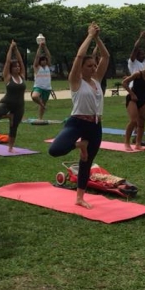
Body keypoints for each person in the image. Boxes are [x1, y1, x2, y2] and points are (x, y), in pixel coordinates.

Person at [48, 22, 109, 209]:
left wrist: (98, 38)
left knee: (87, 162)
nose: (93, 67)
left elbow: (106, 56)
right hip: (77, 122)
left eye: (94, 65)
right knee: (55, 150)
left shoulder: (96, 80)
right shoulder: (76, 81)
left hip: (95, 125)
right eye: (89, 65)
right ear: (81, 68)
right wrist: (89, 36)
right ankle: (79, 145)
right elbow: (80, 56)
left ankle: (80, 198)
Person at [0, 41, 26, 152]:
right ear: (11, 69)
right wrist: (10, 48)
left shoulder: (22, 76)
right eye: (15, 67)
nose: (17, 68)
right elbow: (8, 62)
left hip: (19, 106)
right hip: (6, 103)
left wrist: (16, 49)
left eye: (18, 66)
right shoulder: (8, 77)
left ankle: (10, 148)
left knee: (14, 127)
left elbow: (21, 61)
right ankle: (9, 116)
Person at [31, 40, 53, 120]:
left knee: (43, 102)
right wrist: (40, 47)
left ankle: (40, 118)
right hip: (38, 86)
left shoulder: (48, 66)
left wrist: (45, 46)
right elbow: (37, 56)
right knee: (34, 96)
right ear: (40, 61)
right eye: (42, 60)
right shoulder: (37, 67)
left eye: (45, 60)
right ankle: (42, 105)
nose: (44, 61)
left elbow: (49, 55)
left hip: (47, 88)